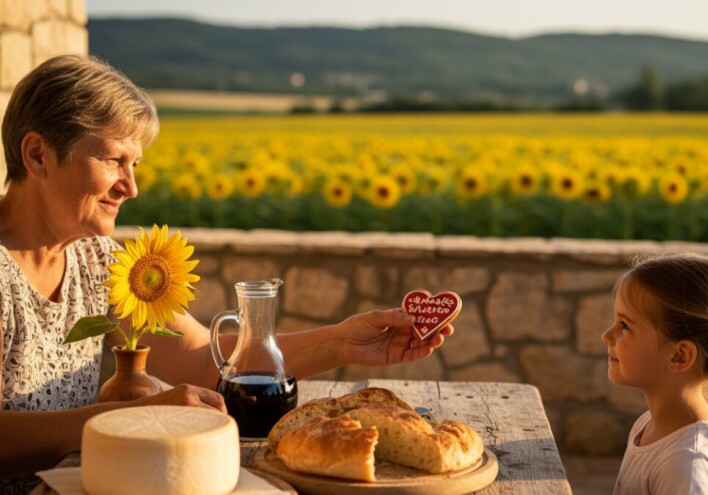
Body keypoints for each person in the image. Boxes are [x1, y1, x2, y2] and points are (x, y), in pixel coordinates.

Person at [0, 54, 452, 493]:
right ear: (38, 155)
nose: (131, 186)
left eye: (134, 165)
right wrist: (122, 421)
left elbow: (199, 360)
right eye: (114, 160)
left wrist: (343, 341)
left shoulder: (94, 258)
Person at [601, 252, 708, 494]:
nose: (607, 336)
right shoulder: (649, 426)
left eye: (625, 326)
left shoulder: (688, 467)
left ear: (680, 356)